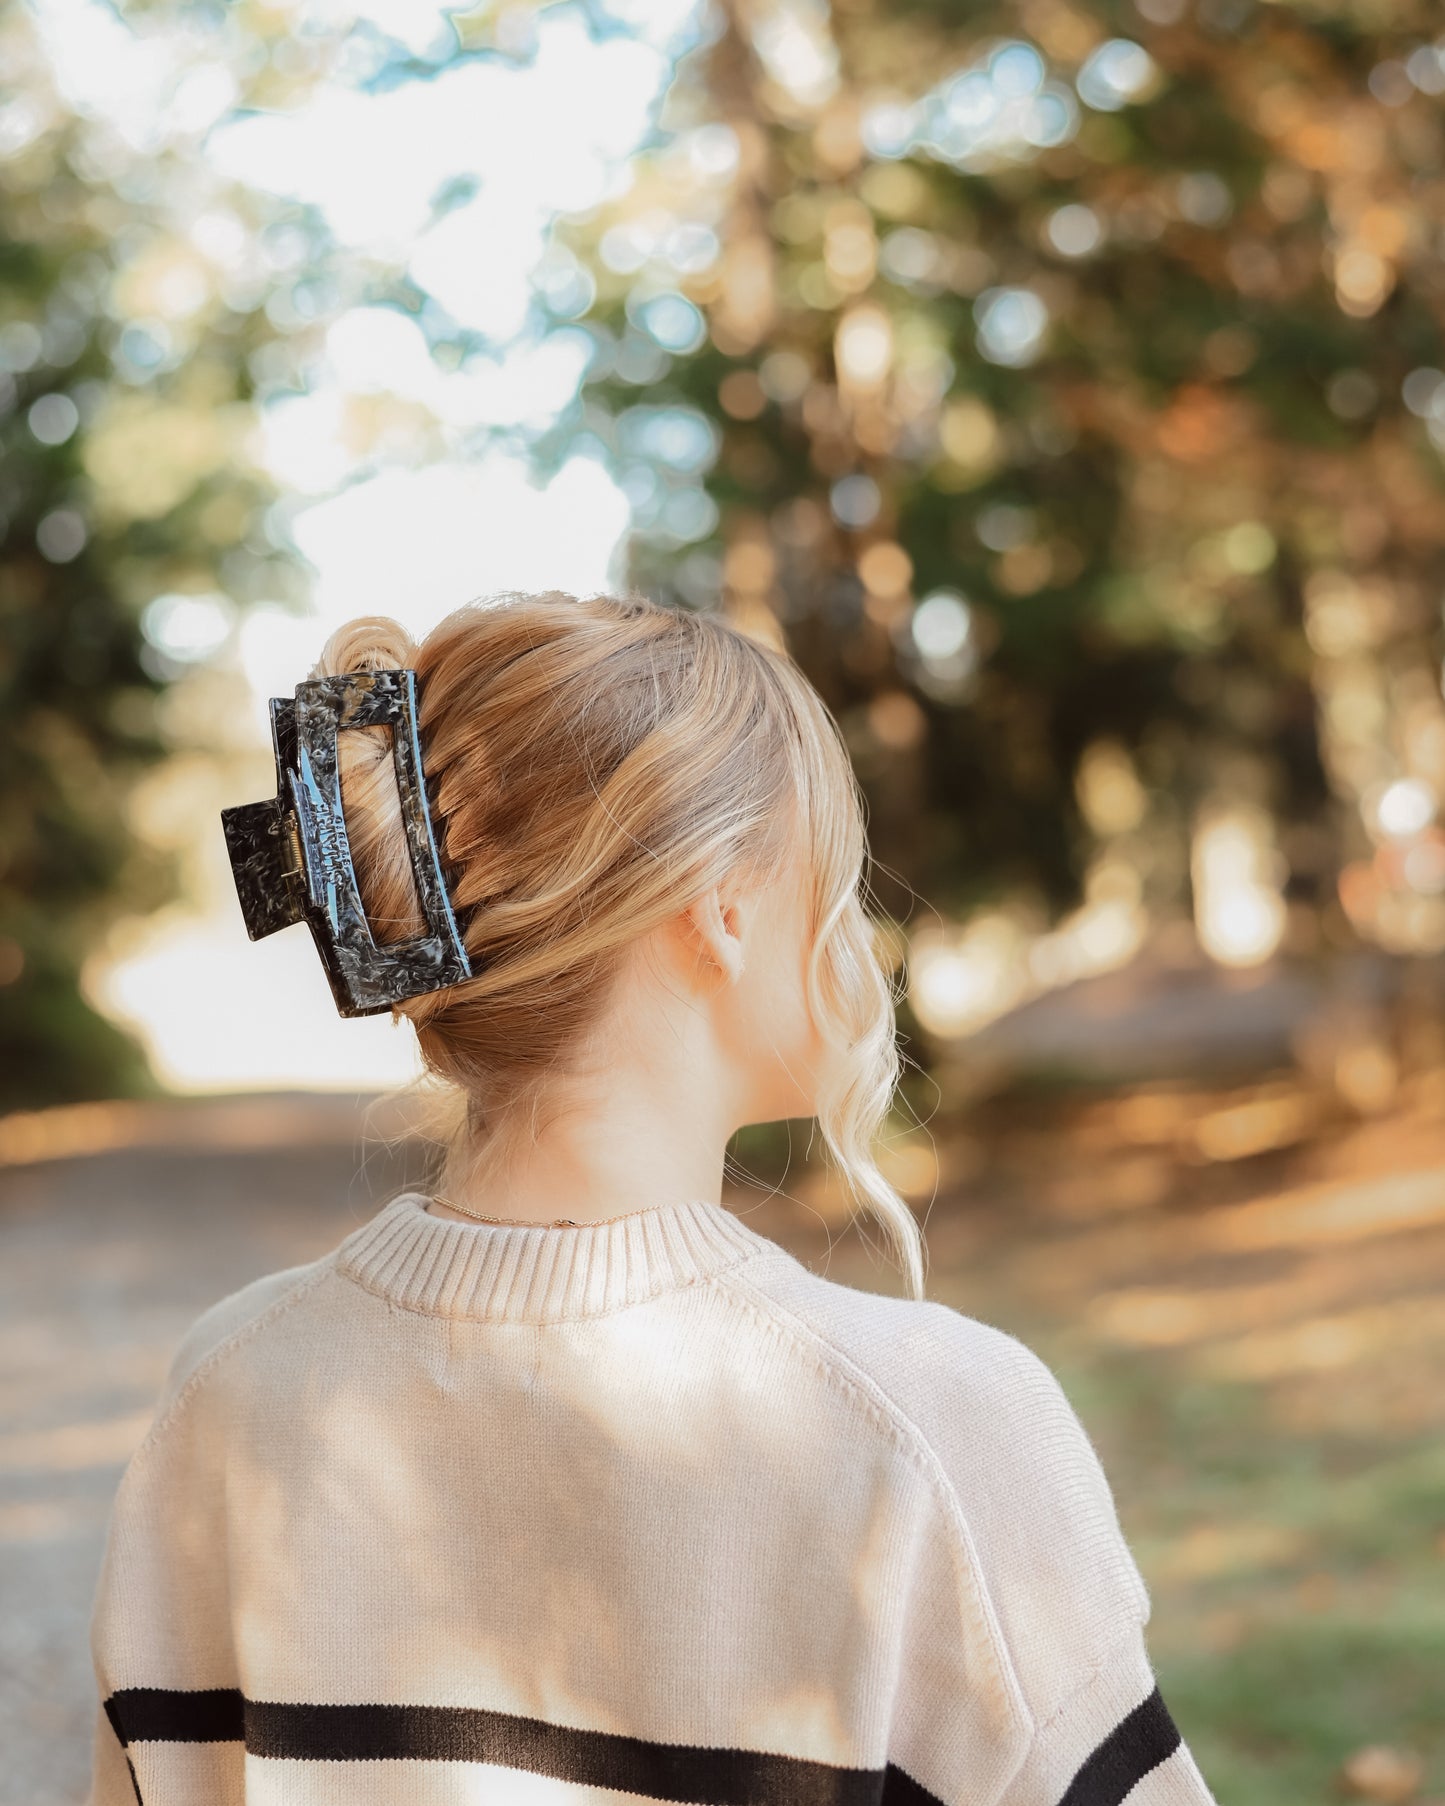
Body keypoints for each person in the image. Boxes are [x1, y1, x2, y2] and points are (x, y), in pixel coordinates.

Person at [87, 591, 1216, 1806]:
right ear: (720, 909)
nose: (855, 930)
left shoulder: (224, 1393)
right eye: (832, 872)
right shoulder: (936, 1431)